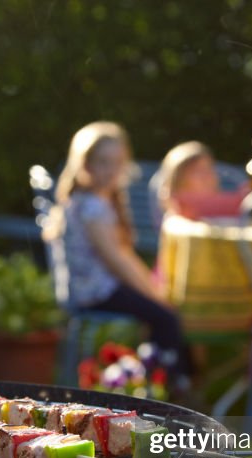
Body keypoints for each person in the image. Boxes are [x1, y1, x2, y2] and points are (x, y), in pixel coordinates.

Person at [43, 121, 191, 389]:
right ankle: (169, 385)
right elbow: (117, 261)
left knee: (159, 310)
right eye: (103, 162)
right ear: (84, 164)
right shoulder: (92, 208)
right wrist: (155, 294)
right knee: (165, 317)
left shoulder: (89, 201)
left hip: (93, 290)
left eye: (117, 162)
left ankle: (153, 379)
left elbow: (123, 256)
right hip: (95, 294)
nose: (111, 170)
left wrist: (153, 290)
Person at [155, 141, 252, 226]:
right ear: (178, 180)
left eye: (209, 169)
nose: (208, 176)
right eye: (198, 171)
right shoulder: (176, 218)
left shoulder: (222, 209)